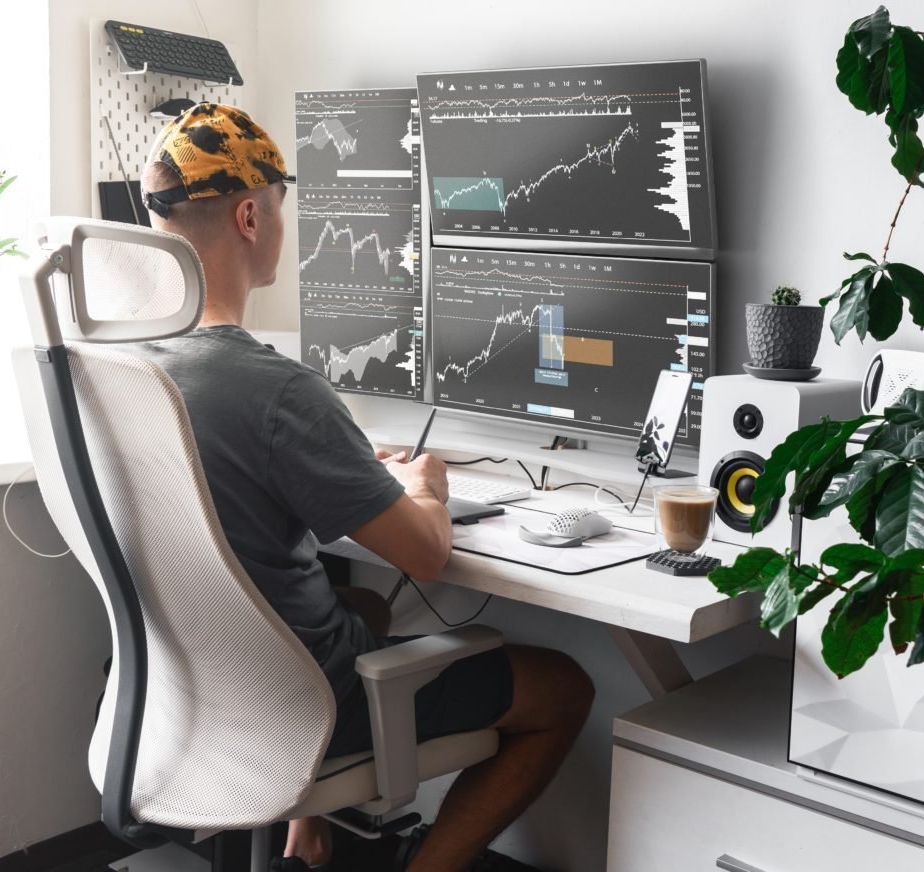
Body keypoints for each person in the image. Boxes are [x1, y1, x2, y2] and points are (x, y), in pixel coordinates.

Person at [126, 103, 593, 872]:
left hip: (186, 696)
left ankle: (307, 832)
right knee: (566, 688)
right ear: (250, 214)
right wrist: (426, 484)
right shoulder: (277, 391)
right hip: (302, 711)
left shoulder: (127, 367)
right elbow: (428, 554)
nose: (284, 225)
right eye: (281, 207)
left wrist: (348, 467)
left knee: (365, 602)